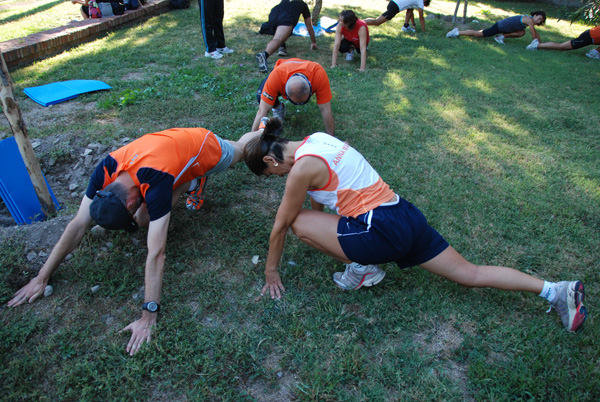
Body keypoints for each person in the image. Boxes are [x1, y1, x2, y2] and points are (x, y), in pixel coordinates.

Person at [242, 118, 588, 333]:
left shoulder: (301, 168)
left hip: (380, 229)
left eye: (271, 173)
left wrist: (271, 271)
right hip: (404, 213)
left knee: (298, 221)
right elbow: (323, 192)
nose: (277, 178)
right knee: (471, 274)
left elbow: (281, 225)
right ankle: (555, 290)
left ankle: (362, 268)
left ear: (271, 159)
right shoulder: (318, 138)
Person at [7, 128, 260, 355]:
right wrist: (42, 276)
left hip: (201, 145)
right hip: (167, 149)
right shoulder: (105, 170)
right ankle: (188, 180)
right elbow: (77, 225)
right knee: (141, 219)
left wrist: (148, 315)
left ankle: (255, 136)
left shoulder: (157, 181)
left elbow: (156, 253)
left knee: (238, 149)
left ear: (129, 202)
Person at [251, 58, 335, 136]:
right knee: (260, 97)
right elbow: (262, 111)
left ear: (311, 87)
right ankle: (278, 107)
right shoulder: (276, 77)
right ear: (285, 92)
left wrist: (332, 138)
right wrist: (250, 141)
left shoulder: (318, 74)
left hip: (303, 71)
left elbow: (326, 109)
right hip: (281, 70)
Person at [256, 0, 318, 73]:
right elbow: (309, 26)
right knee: (278, 39)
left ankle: (282, 48)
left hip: (274, 14)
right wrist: (314, 42)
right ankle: (264, 55)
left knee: (281, 35)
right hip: (286, 17)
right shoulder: (302, 4)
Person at [446, 11, 546, 44]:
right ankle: (456, 32)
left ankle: (500, 37)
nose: (538, 21)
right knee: (480, 34)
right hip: (500, 26)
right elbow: (533, 33)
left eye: (540, 21)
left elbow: (535, 33)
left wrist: (540, 44)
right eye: (539, 18)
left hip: (504, 28)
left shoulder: (529, 21)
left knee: (522, 32)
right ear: (535, 14)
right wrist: (535, 42)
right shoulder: (529, 20)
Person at [526, 25, 600, 59]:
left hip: (592, 35)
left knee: (562, 46)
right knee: (562, 46)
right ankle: (536, 45)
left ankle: (594, 52)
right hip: (590, 36)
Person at [365, 0, 431, 33]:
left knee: (410, 9)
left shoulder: (414, 2)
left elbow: (410, 12)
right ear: (425, 1)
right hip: (395, 7)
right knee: (377, 22)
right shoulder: (420, 2)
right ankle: (359, 22)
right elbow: (421, 19)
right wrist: (424, 31)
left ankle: (406, 26)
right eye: (424, 5)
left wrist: (414, 24)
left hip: (393, 2)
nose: (422, 7)